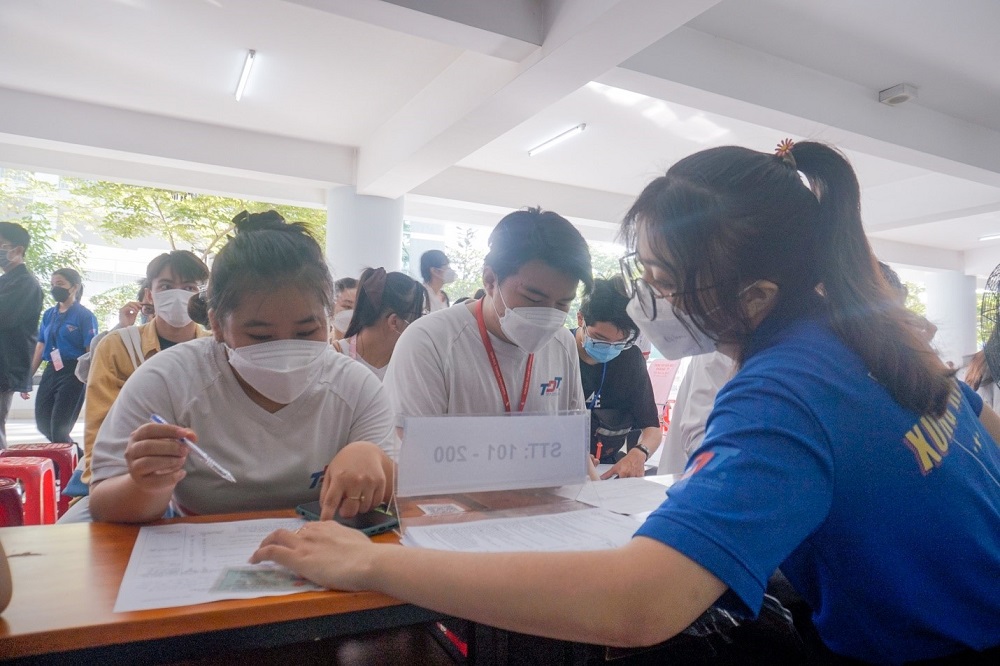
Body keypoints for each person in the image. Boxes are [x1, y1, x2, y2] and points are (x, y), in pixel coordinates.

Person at [253, 143, 1000, 664]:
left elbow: (641, 605)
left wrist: (373, 567)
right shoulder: (878, 334)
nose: (653, 300)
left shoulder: (785, 387)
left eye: (668, 282)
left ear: (755, 297)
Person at [89, 211, 396, 523]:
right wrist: (146, 484)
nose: (285, 351)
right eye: (260, 336)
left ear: (329, 318)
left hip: (320, 550)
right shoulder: (168, 380)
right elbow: (103, 504)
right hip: (197, 551)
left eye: (306, 332)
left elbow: (398, 496)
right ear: (217, 326)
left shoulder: (355, 387)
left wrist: (376, 463)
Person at [384, 208, 591, 425]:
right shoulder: (429, 342)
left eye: (563, 303)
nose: (549, 316)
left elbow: (571, 438)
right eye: (534, 299)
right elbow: (409, 449)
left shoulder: (562, 344)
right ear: (490, 280)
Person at [81, 251, 211, 491]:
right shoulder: (117, 346)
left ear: (203, 295)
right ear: (150, 294)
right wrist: (100, 484)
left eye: (190, 288)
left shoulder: (214, 348)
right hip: (132, 477)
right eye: (166, 286)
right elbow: (98, 427)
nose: (178, 295)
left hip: (201, 480)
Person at [574, 276, 660, 478]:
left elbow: (652, 429)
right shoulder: (556, 351)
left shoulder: (629, 359)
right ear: (580, 319)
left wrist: (640, 453)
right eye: (600, 339)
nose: (610, 348)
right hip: (556, 468)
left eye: (621, 341)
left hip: (607, 469)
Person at [28, 268, 97, 444]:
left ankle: (69, 463)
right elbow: (41, 344)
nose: (54, 288)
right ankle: (77, 456)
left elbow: (90, 349)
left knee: (59, 429)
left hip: (74, 372)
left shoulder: (85, 316)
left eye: (60, 284)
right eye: (52, 284)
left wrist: (92, 380)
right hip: (52, 369)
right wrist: (28, 377)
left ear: (74, 287)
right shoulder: (49, 314)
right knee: (43, 424)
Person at [331, 267, 426, 381]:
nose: (418, 327)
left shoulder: (409, 366)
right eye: (416, 319)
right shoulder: (334, 361)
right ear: (394, 322)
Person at [0, 222, 43, 450]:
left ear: (17, 250)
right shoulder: (6, 281)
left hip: (4, 368)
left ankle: (3, 481)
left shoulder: (25, 285)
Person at [330, 276, 358, 341]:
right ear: (331, 308)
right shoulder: (320, 346)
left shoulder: (370, 349)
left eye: (359, 308)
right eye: (348, 307)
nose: (353, 313)